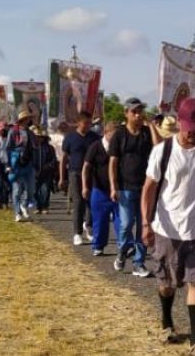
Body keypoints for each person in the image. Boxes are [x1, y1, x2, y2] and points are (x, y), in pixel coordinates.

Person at [142, 98, 195, 356]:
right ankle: (167, 323)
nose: (193, 135)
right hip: (167, 230)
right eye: (189, 129)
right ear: (179, 122)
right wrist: (146, 223)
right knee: (167, 283)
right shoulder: (163, 151)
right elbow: (149, 189)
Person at [109, 98, 153, 277]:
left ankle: (139, 262)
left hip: (144, 186)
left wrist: (150, 124)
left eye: (140, 111)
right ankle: (122, 251)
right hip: (125, 186)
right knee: (127, 224)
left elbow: (158, 145)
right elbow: (113, 162)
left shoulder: (145, 132)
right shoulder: (119, 134)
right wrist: (113, 186)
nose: (137, 114)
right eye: (134, 111)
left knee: (143, 225)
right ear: (126, 113)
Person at [62, 112, 100, 244]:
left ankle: (88, 226)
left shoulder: (94, 137)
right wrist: (62, 177)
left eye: (90, 123)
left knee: (92, 202)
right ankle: (77, 233)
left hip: (92, 173)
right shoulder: (70, 137)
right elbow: (64, 158)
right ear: (79, 122)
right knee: (78, 202)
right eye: (86, 123)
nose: (88, 125)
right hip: (75, 173)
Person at [84, 122, 121, 257]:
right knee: (100, 220)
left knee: (120, 220)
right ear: (107, 132)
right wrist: (85, 186)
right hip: (99, 189)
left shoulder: (119, 147)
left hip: (117, 189)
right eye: (114, 134)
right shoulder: (95, 146)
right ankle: (98, 246)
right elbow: (86, 167)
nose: (117, 137)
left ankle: (123, 245)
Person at [4, 111, 37, 222]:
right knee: (17, 189)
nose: (29, 120)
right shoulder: (13, 131)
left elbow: (34, 148)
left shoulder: (30, 132)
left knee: (30, 189)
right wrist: (8, 164)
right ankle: (17, 212)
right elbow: (7, 148)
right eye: (27, 118)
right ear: (23, 120)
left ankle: (24, 205)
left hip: (28, 163)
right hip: (17, 163)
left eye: (29, 118)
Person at [34, 128, 59, 214]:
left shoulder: (50, 148)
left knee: (45, 190)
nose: (39, 139)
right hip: (35, 172)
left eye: (40, 137)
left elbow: (53, 160)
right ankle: (38, 206)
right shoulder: (33, 148)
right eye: (37, 137)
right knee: (35, 190)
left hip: (47, 173)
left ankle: (45, 206)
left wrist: (48, 167)